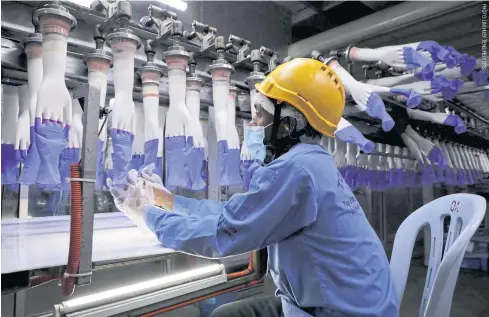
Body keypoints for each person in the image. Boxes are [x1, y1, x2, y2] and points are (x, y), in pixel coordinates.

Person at [109, 58, 400, 317]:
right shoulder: (312, 163)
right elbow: (234, 214)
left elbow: (222, 235)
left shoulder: (294, 171)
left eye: (259, 114)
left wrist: (147, 215)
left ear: (288, 123)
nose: (251, 123)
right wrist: (169, 201)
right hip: (347, 305)